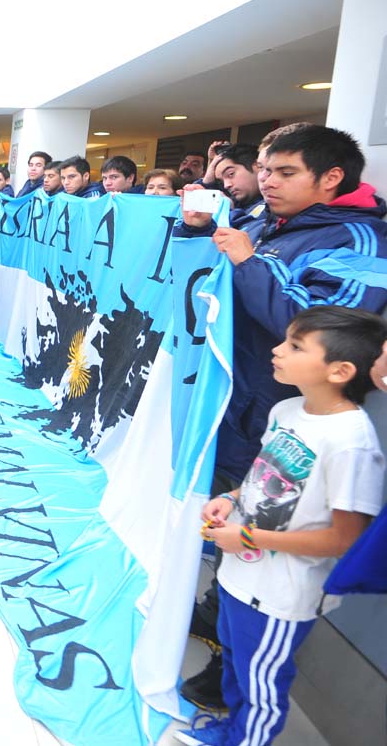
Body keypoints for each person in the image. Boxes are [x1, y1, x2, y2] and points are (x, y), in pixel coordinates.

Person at [176, 125, 387, 711]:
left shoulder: (359, 242)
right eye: (264, 169)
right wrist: (192, 230)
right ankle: (215, 618)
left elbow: (321, 335)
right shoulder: (267, 220)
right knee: (229, 512)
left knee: (264, 539)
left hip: (290, 424)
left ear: (332, 178)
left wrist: (248, 263)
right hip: (239, 402)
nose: (266, 180)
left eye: (284, 172)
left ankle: (233, 675)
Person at [176, 306, 386, 746]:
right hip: (239, 576)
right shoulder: (288, 409)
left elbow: (345, 539)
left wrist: (246, 537)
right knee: (234, 666)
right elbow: (262, 476)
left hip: (279, 596)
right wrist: (228, 500)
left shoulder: (352, 443)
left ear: (340, 370)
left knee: (261, 690)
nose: (277, 350)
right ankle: (229, 732)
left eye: (294, 345)